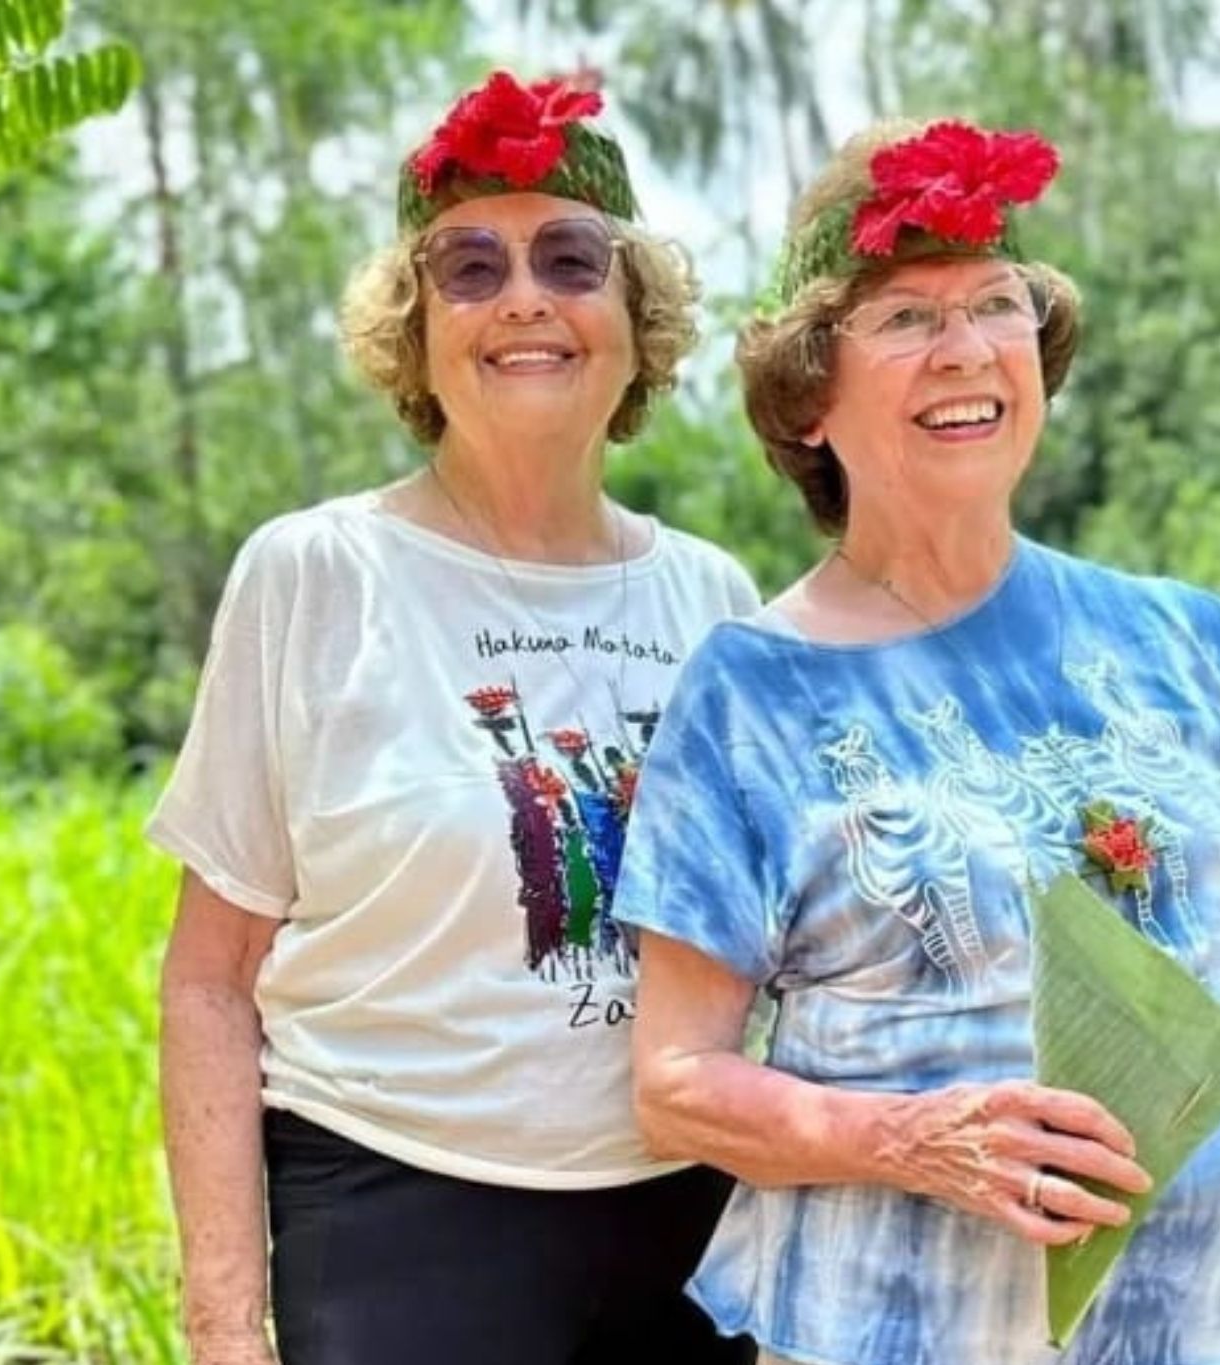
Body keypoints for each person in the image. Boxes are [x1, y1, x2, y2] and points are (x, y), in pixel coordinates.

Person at [612, 119, 1220, 1365]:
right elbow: (675, 1084)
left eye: (996, 304)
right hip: (912, 1331)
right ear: (809, 399)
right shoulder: (751, 696)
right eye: (902, 319)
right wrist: (914, 1138)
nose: (965, 350)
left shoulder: (1174, 639)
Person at [149, 69, 760, 1365]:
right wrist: (223, 1326)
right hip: (397, 1216)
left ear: (636, 313)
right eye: (469, 267)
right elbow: (209, 981)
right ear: (414, 328)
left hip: (695, 1229)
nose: (526, 296)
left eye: (570, 258)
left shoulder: (711, 595)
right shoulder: (315, 573)